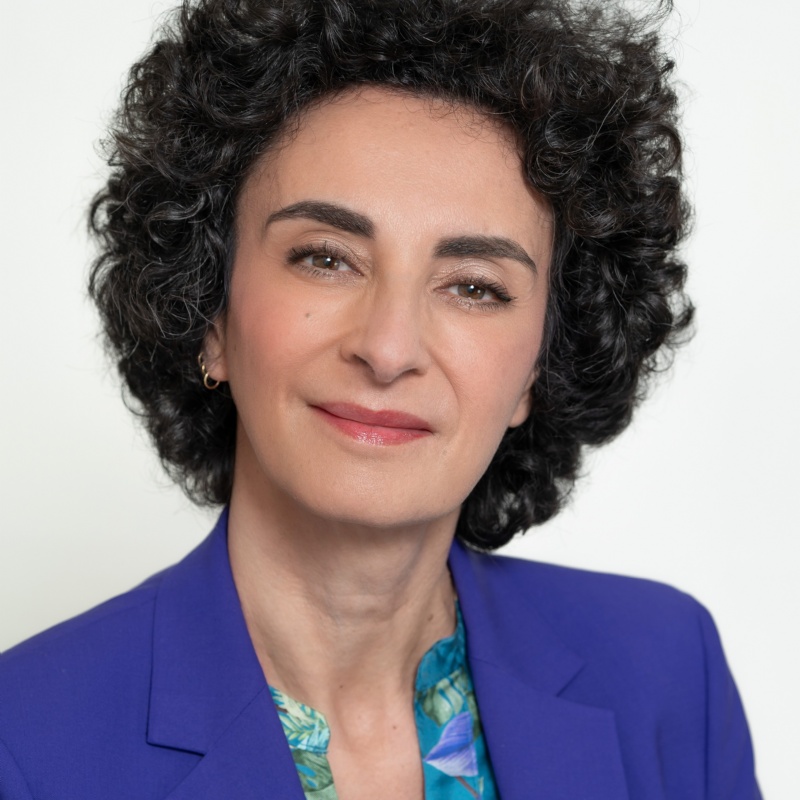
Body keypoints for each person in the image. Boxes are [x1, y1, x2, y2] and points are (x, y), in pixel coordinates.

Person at [0, 0, 760, 797]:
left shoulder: (668, 675)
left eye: (475, 286)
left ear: (541, 364)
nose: (389, 349)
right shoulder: (24, 745)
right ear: (209, 313)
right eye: (326, 259)